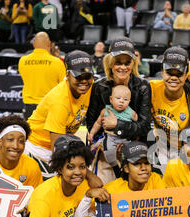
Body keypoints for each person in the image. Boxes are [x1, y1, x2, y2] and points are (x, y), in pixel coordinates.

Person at [86, 37, 152, 184]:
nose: (123, 67)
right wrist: (101, 143)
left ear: (133, 63)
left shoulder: (143, 87)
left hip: (135, 152)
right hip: (105, 152)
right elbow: (91, 123)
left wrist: (118, 126)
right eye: (118, 62)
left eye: (127, 62)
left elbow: (145, 127)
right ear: (110, 63)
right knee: (106, 194)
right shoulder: (99, 87)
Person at [25, 50, 94, 180]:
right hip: (38, 147)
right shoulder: (59, 100)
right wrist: (89, 175)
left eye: (88, 76)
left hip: (62, 143)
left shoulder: (90, 87)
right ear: (67, 75)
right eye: (79, 77)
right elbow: (57, 148)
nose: (84, 81)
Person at [149, 46, 190, 173]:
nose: (173, 78)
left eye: (179, 74)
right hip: (159, 144)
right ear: (162, 72)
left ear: (186, 75)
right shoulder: (151, 89)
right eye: (169, 73)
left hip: (183, 150)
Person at [88, 85, 138, 178]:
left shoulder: (131, 113)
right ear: (111, 100)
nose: (121, 101)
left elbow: (137, 126)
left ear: (129, 102)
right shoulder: (106, 111)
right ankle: (115, 166)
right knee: (108, 150)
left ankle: (125, 167)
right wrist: (91, 133)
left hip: (125, 139)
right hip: (111, 137)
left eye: (125, 99)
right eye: (118, 98)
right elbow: (98, 123)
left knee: (129, 152)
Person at [18, 31, 66, 120]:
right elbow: (64, 85)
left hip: (29, 106)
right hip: (50, 106)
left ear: (33, 44)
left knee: (31, 133)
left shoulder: (22, 61)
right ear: (49, 44)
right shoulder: (57, 62)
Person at [0, 114, 42, 188]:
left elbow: (35, 198)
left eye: (21, 141)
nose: (15, 146)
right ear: (0, 142)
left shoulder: (32, 168)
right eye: (10, 139)